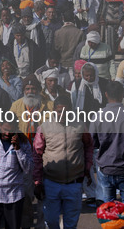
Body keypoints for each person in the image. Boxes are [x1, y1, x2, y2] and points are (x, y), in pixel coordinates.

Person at [32, 95, 93, 229]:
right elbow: (37, 155)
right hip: (51, 183)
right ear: (53, 110)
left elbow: (89, 146)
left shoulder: (80, 125)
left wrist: (87, 167)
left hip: (74, 183)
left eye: (65, 111)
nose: (62, 114)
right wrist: (37, 181)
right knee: (51, 221)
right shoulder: (45, 127)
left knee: (71, 223)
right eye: (59, 111)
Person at [90, 81, 124, 214]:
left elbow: (93, 143)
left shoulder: (98, 116)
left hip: (106, 168)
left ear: (106, 95)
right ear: (122, 95)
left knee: (108, 206)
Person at [0, 121, 33, 229]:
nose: (7, 133)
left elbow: (28, 169)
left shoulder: (24, 143)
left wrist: (18, 149)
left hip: (14, 195)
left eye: (10, 130)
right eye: (5, 129)